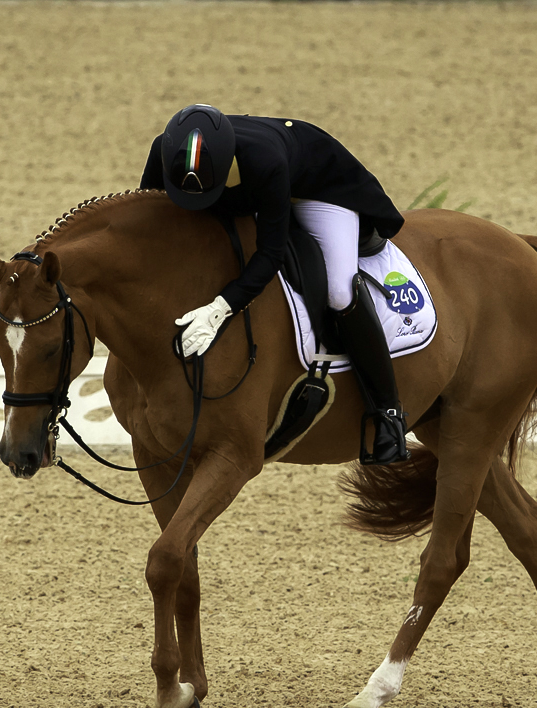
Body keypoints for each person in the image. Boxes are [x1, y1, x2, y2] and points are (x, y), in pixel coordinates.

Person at [139, 104, 409, 465]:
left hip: (316, 188)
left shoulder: (263, 161)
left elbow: (270, 254)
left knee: (339, 291)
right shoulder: (164, 150)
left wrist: (220, 308)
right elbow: (148, 218)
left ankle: (388, 414)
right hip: (253, 189)